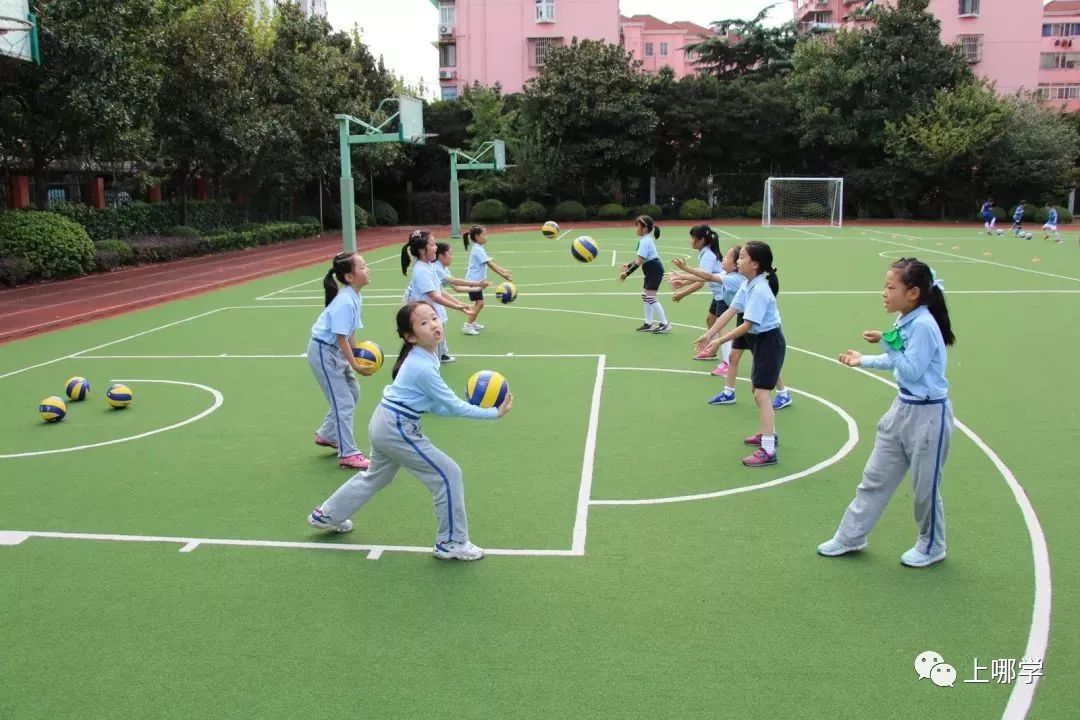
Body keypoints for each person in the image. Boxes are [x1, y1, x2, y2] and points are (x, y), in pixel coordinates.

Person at [307, 302, 514, 561]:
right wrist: (492, 413)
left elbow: (438, 406)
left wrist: (476, 411)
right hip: (397, 428)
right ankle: (451, 542)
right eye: (424, 323)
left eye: (434, 318)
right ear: (410, 336)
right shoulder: (423, 366)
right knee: (448, 475)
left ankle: (327, 515)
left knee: (375, 477)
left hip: (386, 422)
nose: (434, 325)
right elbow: (451, 405)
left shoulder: (426, 356)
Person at [817, 258, 956, 568]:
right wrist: (864, 358)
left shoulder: (922, 325)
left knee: (925, 491)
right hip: (902, 410)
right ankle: (851, 535)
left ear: (913, 293)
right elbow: (898, 361)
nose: (884, 293)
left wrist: (887, 341)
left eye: (891, 287)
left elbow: (911, 369)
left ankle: (932, 545)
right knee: (874, 478)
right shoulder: (907, 319)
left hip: (928, 417)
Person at [695, 241, 785, 466]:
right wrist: (709, 335)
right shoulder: (748, 284)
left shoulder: (760, 290)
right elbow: (731, 311)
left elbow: (746, 325)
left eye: (742, 257)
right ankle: (768, 434)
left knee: (761, 395)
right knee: (758, 390)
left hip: (768, 341)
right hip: (760, 340)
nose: (737, 261)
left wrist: (718, 341)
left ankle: (768, 449)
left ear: (755, 264)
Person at [308, 251, 376, 470]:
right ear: (349, 277)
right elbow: (340, 337)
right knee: (343, 402)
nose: (368, 269)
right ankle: (348, 453)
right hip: (324, 352)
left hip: (335, 351)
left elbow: (350, 332)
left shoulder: (354, 295)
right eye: (363, 267)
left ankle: (327, 434)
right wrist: (354, 364)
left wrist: (357, 355)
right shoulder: (345, 301)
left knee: (352, 393)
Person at [401, 229, 473, 362]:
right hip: (425, 320)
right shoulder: (421, 270)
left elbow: (441, 291)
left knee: (434, 357)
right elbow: (435, 296)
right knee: (429, 358)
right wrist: (457, 307)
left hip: (432, 316)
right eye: (433, 245)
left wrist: (459, 304)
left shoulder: (429, 266)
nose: (436, 248)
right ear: (422, 250)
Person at [618, 215, 670, 333]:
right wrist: (629, 265)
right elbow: (641, 259)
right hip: (651, 269)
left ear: (645, 228)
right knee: (646, 296)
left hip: (654, 270)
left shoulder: (645, 241)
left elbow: (640, 261)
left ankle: (664, 324)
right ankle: (648, 323)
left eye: (637, 226)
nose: (636, 229)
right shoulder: (645, 240)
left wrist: (627, 273)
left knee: (650, 297)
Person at [462, 225, 513, 335]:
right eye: (484, 235)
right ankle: (468, 325)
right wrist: (503, 275)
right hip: (473, 282)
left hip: (476, 282)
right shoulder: (477, 250)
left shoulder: (479, 248)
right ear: (477, 236)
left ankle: (473, 322)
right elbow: (490, 264)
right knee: (480, 303)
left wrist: (503, 270)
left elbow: (490, 261)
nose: (486, 237)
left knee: (479, 303)